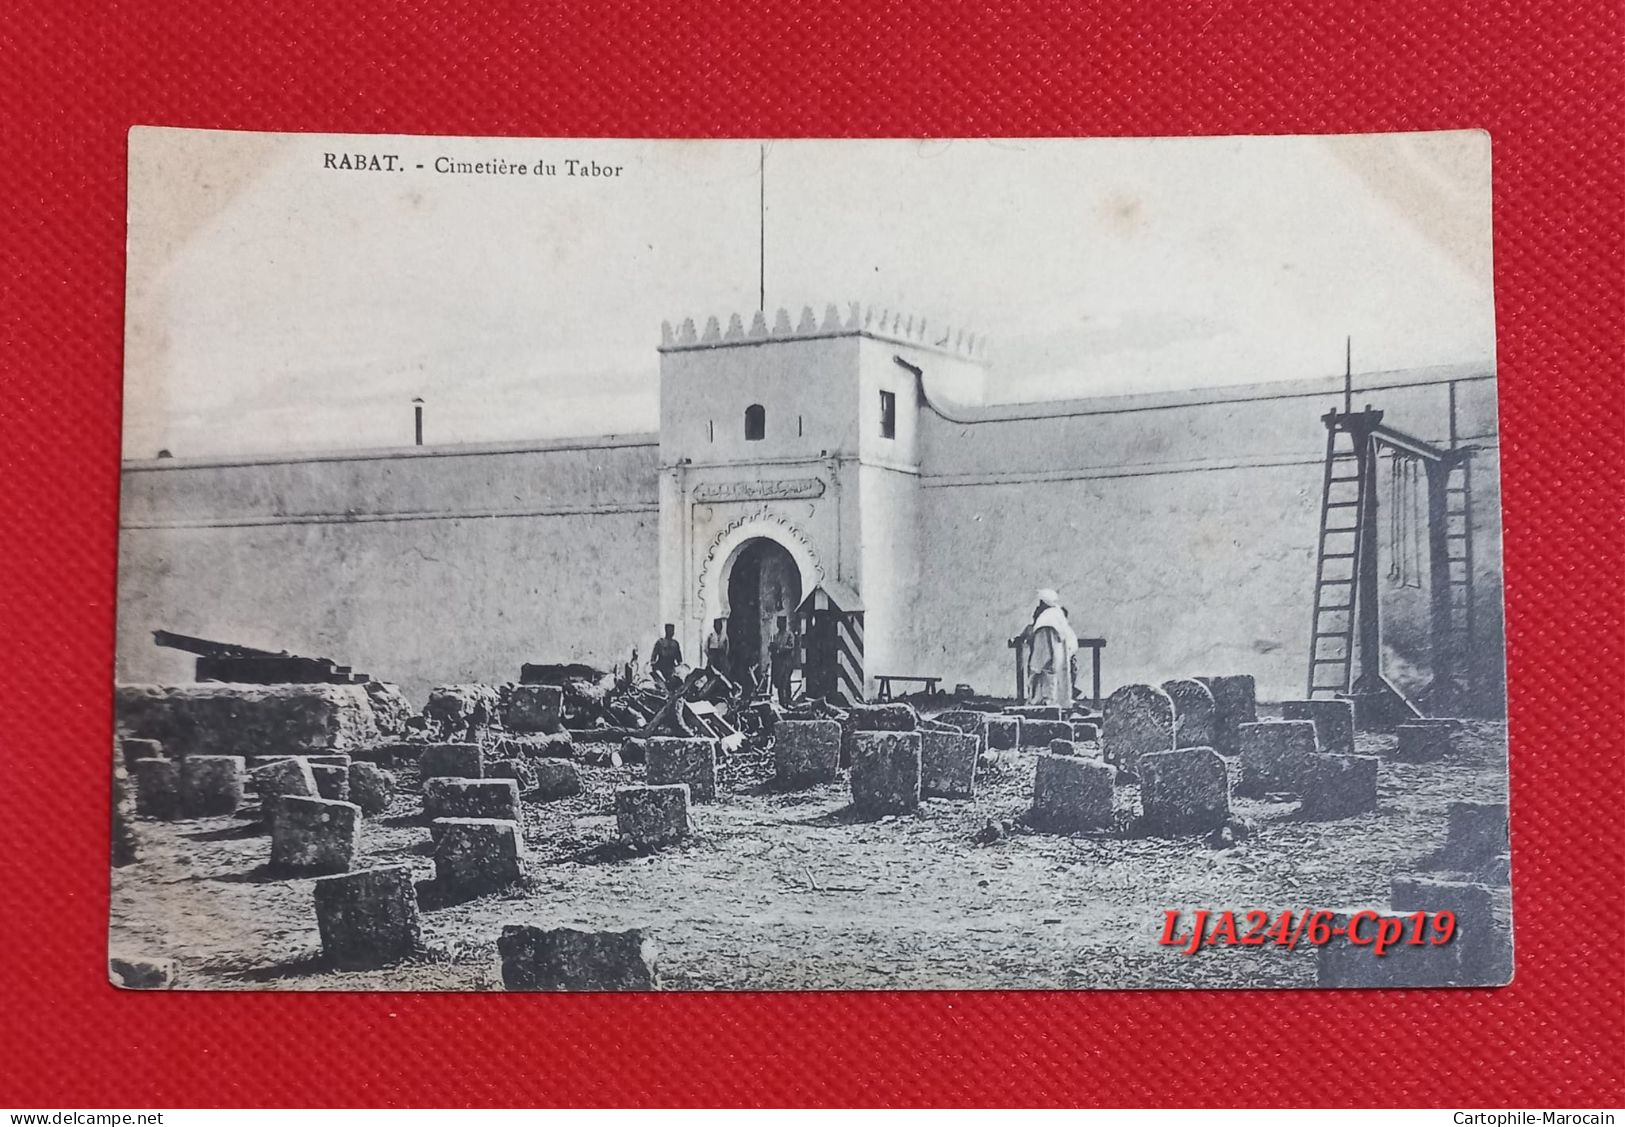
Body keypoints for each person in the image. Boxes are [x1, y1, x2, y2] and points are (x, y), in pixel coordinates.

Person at [1026, 588, 1079, 707]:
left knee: (1046, 683)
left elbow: (1042, 654)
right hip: (1058, 662)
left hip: (1048, 665)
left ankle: (1044, 702)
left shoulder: (1046, 620)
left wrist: (1036, 665)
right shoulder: (1057, 615)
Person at [768, 615, 797, 706]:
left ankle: (788, 699)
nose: (779, 624)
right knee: (779, 682)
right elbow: (772, 647)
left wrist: (779, 649)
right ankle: (782, 701)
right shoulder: (776, 635)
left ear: (785, 623)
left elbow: (791, 646)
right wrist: (771, 648)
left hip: (786, 662)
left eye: (781, 622)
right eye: (778, 622)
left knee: (786, 681)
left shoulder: (789, 635)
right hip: (778, 663)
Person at [650, 623, 682, 690]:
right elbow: (653, 656)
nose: (671, 632)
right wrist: (653, 664)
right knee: (660, 685)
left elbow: (679, 659)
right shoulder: (660, 642)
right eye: (669, 630)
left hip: (671, 669)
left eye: (672, 630)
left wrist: (679, 667)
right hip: (661, 668)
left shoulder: (675, 643)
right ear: (666, 630)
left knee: (677, 683)